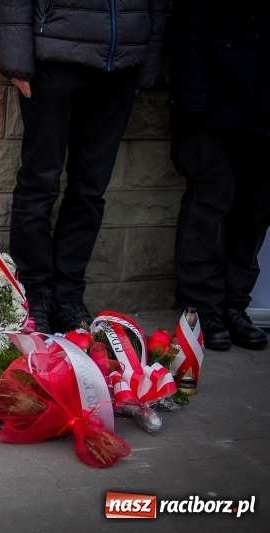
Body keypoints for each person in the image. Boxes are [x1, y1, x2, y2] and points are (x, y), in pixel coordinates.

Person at [0, 0, 166, 333]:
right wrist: (15, 57)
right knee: (39, 184)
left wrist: (148, 59)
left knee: (90, 190)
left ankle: (68, 298)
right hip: (54, 60)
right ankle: (34, 295)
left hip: (122, 67)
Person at [169, 0, 269, 350]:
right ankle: (202, 310)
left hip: (264, 107)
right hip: (213, 105)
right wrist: (189, 104)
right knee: (208, 209)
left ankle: (234, 306)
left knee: (255, 213)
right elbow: (188, 30)